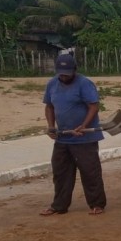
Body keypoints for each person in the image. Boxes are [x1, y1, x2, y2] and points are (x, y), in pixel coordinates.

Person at [40, 53, 107, 216]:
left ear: (74, 70)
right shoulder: (52, 84)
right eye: (61, 73)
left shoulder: (84, 84)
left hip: (85, 138)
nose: (64, 77)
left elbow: (94, 106)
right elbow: (49, 106)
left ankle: (97, 204)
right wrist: (51, 126)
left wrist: (84, 126)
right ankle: (59, 205)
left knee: (90, 172)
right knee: (61, 172)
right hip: (63, 137)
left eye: (67, 74)